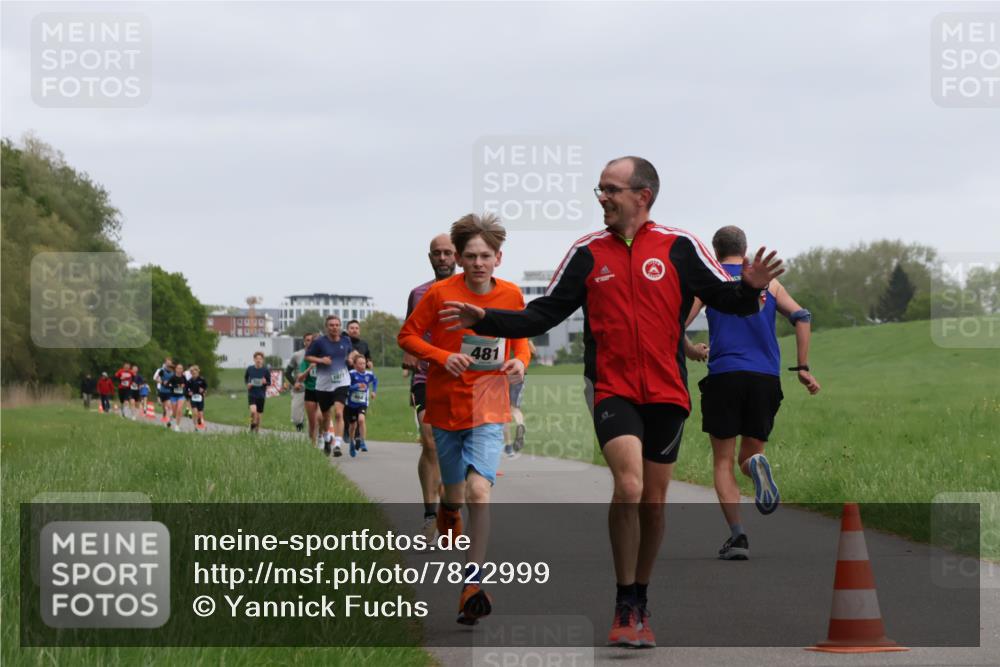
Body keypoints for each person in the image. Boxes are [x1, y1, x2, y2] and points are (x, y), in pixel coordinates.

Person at [439, 156, 784, 647]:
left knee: (655, 502)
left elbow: (725, 298)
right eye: (599, 189)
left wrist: (750, 289)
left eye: (610, 189)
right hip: (611, 386)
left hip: (667, 389)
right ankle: (624, 600)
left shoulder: (680, 247)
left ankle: (641, 595)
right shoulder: (586, 252)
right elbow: (543, 313)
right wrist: (485, 320)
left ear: (641, 195)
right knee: (629, 483)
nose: (600, 197)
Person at [399, 213, 531, 626]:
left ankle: (472, 582)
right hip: (445, 407)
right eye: (470, 256)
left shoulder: (511, 296)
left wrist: (519, 364)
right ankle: (446, 511)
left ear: (498, 258)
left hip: (489, 407)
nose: (477, 263)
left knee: (479, 491)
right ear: (458, 258)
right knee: (453, 494)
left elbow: (521, 342)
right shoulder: (439, 294)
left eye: (485, 256)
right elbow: (407, 336)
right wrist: (442, 356)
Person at [684, 225, 821, 560]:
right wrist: (802, 367)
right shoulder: (769, 282)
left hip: (724, 377)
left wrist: (691, 351)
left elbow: (676, 322)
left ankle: (738, 537)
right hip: (764, 379)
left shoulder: (709, 279)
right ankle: (756, 465)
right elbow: (802, 316)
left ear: (715, 251)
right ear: (744, 249)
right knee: (748, 457)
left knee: (722, 462)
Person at [403, 232, 457, 541]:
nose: (442, 258)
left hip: (462, 378)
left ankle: (449, 509)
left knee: (455, 450)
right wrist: (409, 350)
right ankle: (428, 516)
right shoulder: (418, 292)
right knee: (430, 442)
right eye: (437, 253)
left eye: (448, 253)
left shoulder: (470, 289)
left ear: (457, 256)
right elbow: (411, 330)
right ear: (430, 257)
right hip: (427, 376)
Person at [305, 315, 353, 456]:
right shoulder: (319, 342)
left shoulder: (346, 340)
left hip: (342, 382)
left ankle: (337, 445)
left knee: (338, 413)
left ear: (340, 326)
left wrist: (350, 359)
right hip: (324, 385)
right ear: (327, 327)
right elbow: (307, 357)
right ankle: (327, 438)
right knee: (325, 416)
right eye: (331, 325)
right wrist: (321, 360)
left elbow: (349, 353)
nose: (334, 327)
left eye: (337, 325)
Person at [503, 339, 536, 456]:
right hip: (519, 375)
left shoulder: (503, 336)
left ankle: (508, 446)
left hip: (504, 372)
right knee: (515, 408)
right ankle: (520, 424)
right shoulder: (522, 338)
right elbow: (533, 351)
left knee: (503, 411)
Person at [345, 352, 378, 456]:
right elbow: (345, 387)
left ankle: (363, 442)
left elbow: (375, 381)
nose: (362, 365)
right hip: (350, 404)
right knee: (352, 425)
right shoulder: (351, 374)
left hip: (362, 402)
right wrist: (355, 387)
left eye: (364, 363)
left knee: (361, 419)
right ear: (355, 365)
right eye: (360, 363)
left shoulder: (369, 374)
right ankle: (351, 443)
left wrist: (374, 391)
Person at [286, 334, 311, 433]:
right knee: (296, 418)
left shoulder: (320, 355)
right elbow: (287, 373)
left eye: (312, 340)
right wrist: (294, 383)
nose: (310, 342)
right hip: (300, 388)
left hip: (314, 389)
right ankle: (300, 426)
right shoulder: (297, 355)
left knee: (314, 415)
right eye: (308, 340)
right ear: (304, 342)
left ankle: (313, 436)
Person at [245, 352, 271, 433]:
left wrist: (265, 382)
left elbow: (269, 382)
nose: (258, 360)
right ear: (254, 359)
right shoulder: (250, 369)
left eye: (260, 359)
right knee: (253, 412)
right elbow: (246, 378)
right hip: (252, 394)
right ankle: (252, 426)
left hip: (261, 395)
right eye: (257, 359)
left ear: (262, 360)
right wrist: (248, 384)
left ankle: (256, 432)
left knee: (259, 417)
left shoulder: (265, 370)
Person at [165, 363, 188, 428]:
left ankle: (177, 426)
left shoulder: (184, 377)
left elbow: (186, 385)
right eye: (178, 368)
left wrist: (186, 390)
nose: (179, 370)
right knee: (174, 412)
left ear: (182, 370)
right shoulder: (173, 377)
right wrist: (176, 386)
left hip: (181, 396)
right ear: (176, 369)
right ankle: (171, 418)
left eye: (181, 368)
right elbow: (167, 385)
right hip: (173, 396)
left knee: (179, 409)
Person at [186, 365, 209, 431]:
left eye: (195, 371)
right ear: (191, 373)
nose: (194, 373)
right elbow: (186, 390)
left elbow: (206, 387)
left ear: (198, 372)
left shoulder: (202, 379)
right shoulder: (189, 381)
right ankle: (195, 427)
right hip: (193, 399)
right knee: (195, 412)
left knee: (200, 414)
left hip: (200, 398)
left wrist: (204, 391)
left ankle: (199, 420)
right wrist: (188, 393)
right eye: (192, 372)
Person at [153, 358, 174, 423]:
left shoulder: (173, 371)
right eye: (167, 362)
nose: (168, 364)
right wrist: (162, 382)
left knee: (169, 404)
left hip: (169, 390)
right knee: (163, 405)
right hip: (161, 389)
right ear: (165, 363)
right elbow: (155, 378)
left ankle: (169, 418)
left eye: (169, 363)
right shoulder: (161, 370)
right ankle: (165, 413)